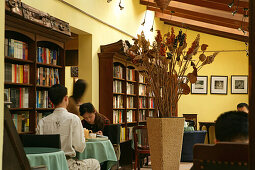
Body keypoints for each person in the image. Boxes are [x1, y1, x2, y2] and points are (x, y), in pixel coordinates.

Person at [36, 84, 100, 170]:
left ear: (51, 101)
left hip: (48, 165)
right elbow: (80, 147)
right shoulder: (73, 119)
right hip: (67, 164)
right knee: (95, 163)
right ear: (66, 99)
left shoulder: (42, 122)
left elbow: (39, 147)